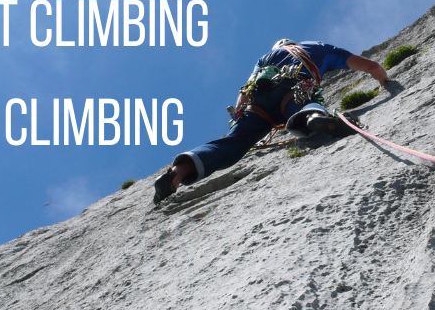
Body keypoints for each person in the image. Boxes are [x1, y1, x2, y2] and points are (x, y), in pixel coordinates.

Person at [154, 39, 390, 204]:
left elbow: (243, 94)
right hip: (292, 88)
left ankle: (178, 172)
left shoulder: (265, 58)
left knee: (234, 142)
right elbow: (371, 66)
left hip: (258, 103)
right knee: (303, 101)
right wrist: (384, 82)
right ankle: (314, 117)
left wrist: (240, 115)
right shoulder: (318, 48)